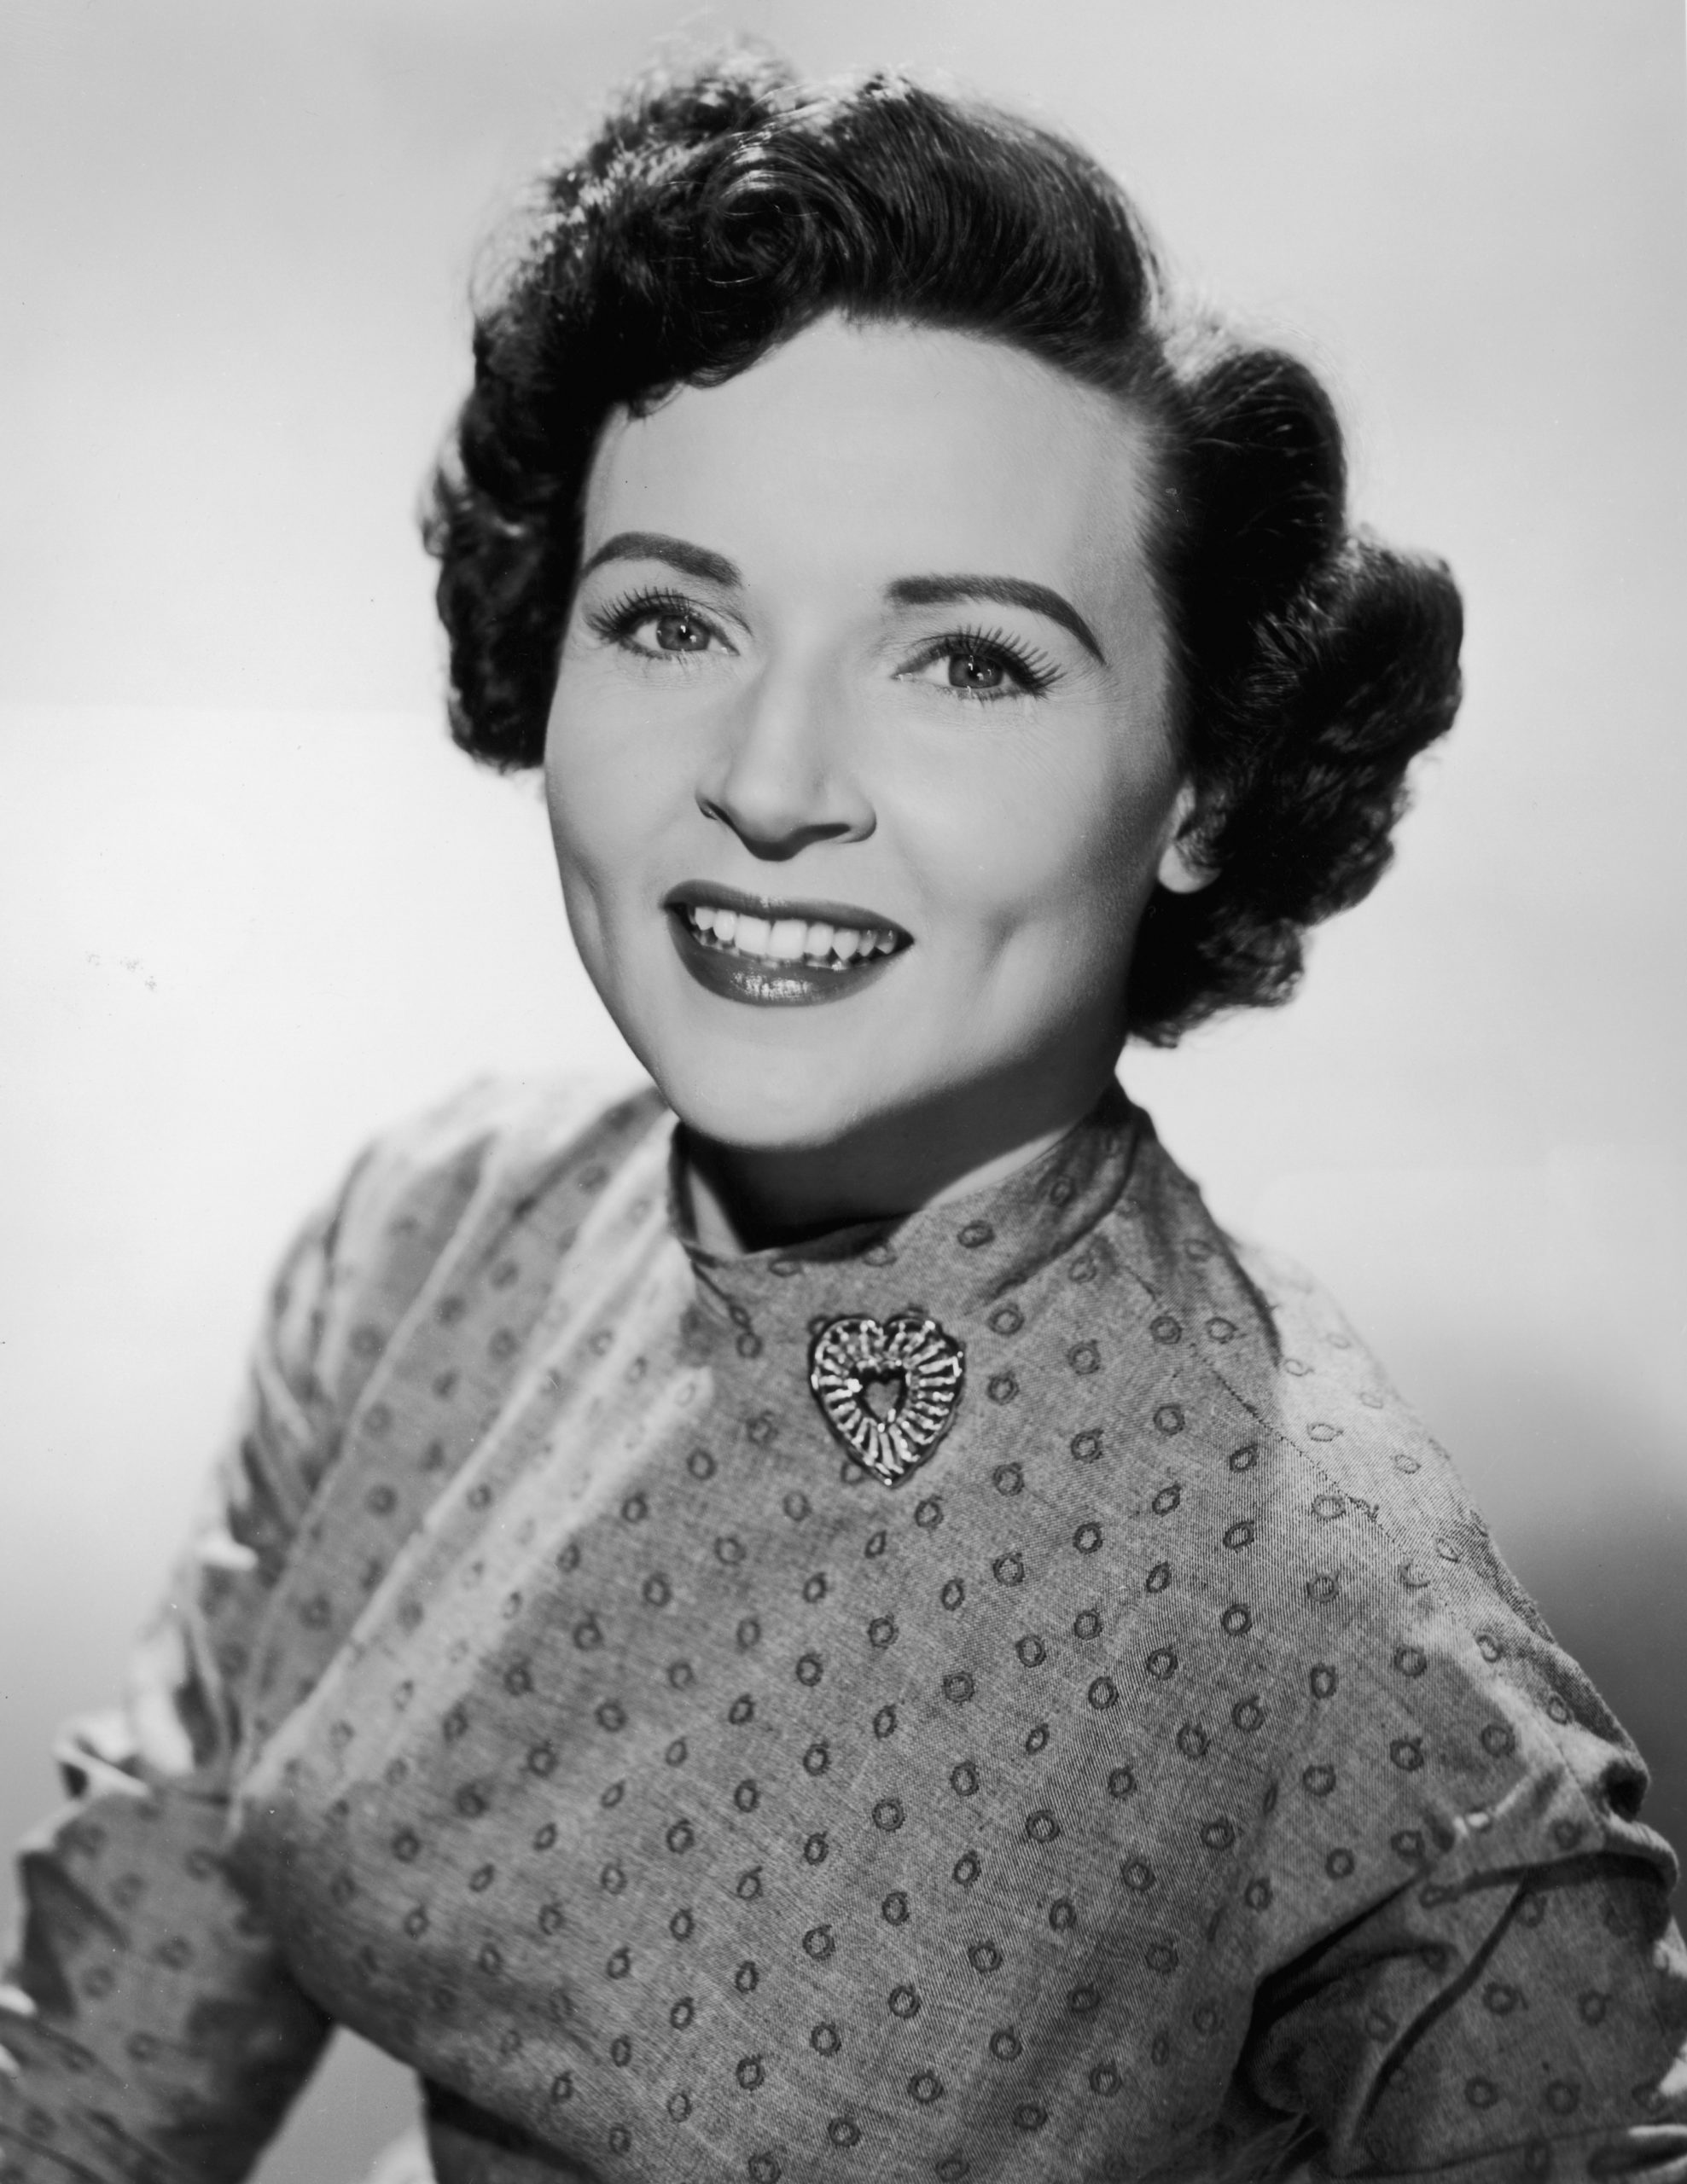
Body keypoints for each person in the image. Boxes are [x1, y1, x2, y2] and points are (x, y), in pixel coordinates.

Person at [2, 45, 1684, 2184]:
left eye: (966, 660)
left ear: (1203, 790)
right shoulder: (423, 1253)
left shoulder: (1332, 1601)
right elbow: (86, 2082)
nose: (772, 780)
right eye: (674, 618)